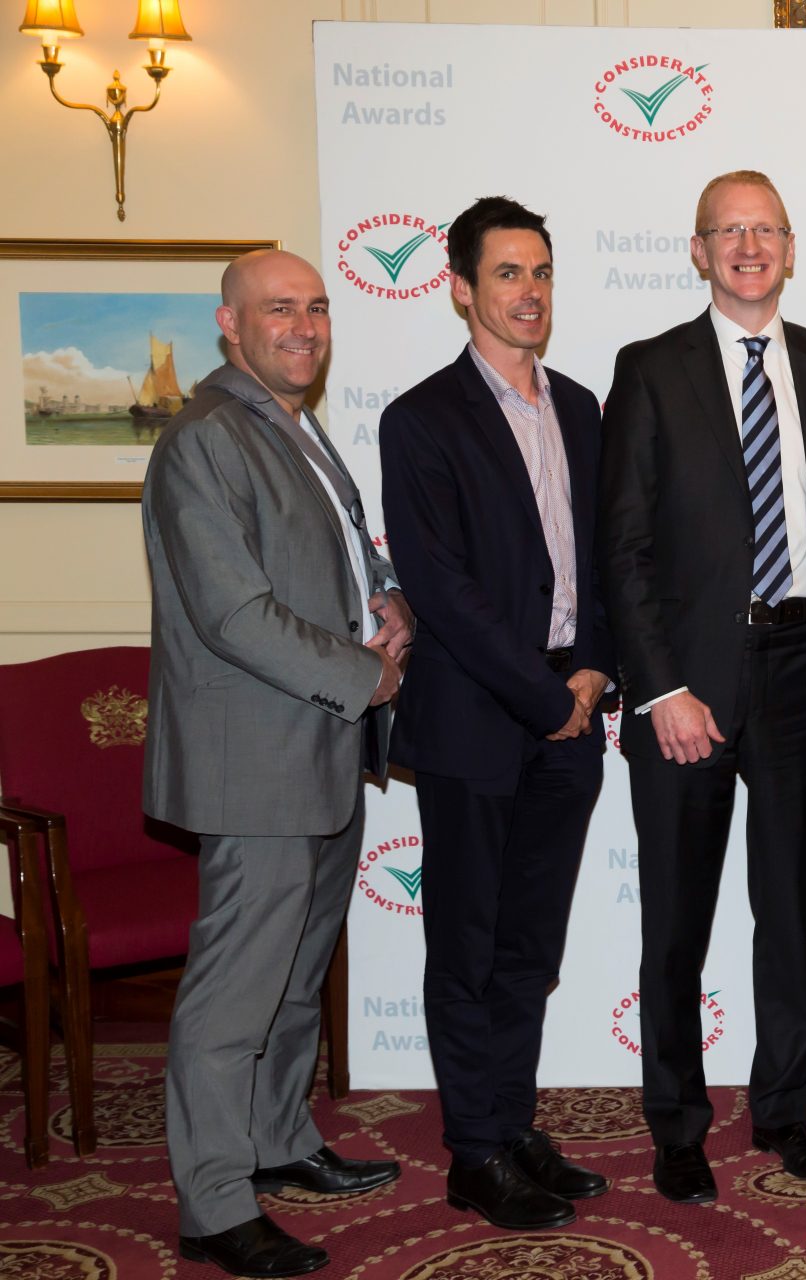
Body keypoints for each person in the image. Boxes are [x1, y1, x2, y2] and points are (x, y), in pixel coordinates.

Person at [599, 170, 806, 1203]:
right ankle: (676, 1124)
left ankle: (787, 1111)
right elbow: (623, 545)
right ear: (698, 250)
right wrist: (661, 688)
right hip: (688, 684)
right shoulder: (650, 368)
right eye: (728, 230)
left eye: (766, 230)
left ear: (791, 249)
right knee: (676, 920)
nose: (749, 247)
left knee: (788, 913)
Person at [145, 248, 408, 1278]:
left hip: (322, 744)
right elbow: (234, 612)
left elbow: (347, 551)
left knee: (296, 975)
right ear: (229, 322)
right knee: (235, 994)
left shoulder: (293, 423)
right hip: (256, 757)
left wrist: (389, 600)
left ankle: (276, 1139)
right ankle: (214, 1202)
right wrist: (366, 673)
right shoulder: (205, 438)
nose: (304, 326)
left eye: (317, 307)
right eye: (279, 308)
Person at [379, 196, 614, 1232]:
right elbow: (440, 586)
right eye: (508, 273)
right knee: (467, 946)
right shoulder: (420, 419)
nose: (530, 292)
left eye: (542, 272)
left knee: (530, 946)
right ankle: (473, 1150)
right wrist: (544, 695)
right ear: (461, 288)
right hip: (481, 717)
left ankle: (513, 1125)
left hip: (575, 710)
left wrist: (593, 672)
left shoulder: (583, 408)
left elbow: (605, 559)